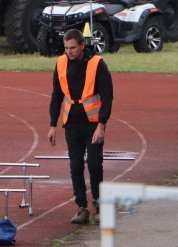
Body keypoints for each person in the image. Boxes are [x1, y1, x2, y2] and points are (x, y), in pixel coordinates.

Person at [48, 28, 113, 225]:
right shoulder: (60, 63)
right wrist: (52, 124)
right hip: (71, 124)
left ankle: (99, 204)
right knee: (75, 166)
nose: (69, 51)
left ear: (82, 45)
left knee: (94, 164)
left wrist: (102, 125)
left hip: (93, 124)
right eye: (66, 48)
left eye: (73, 48)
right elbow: (56, 95)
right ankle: (82, 207)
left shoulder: (97, 64)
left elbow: (107, 97)